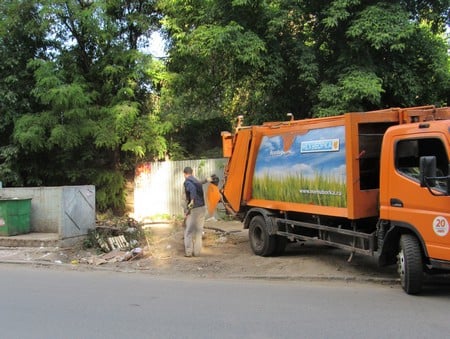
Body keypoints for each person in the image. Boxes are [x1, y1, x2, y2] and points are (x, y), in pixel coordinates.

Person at [182, 167, 208, 257]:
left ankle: (189, 252)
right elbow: (201, 183)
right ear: (192, 173)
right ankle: (197, 253)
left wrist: (192, 201)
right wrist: (207, 179)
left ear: (184, 174)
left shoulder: (187, 182)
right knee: (198, 232)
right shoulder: (197, 181)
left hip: (195, 209)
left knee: (188, 232)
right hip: (202, 208)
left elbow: (192, 189)